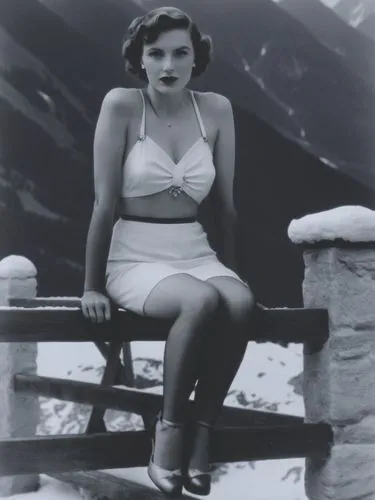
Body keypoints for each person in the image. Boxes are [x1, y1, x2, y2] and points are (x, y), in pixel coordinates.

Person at [81, 6, 255, 497]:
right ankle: (169, 433)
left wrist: (233, 278)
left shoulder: (216, 109)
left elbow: (226, 208)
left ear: (196, 56)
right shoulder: (122, 105)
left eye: (181, 52)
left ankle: (204, 431)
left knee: (237, 303)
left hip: (195, 251)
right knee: (197, 301)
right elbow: (103, 203)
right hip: (134, 254)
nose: (168, 65)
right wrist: (92, 285)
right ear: (139, 58)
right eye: (155, 53)